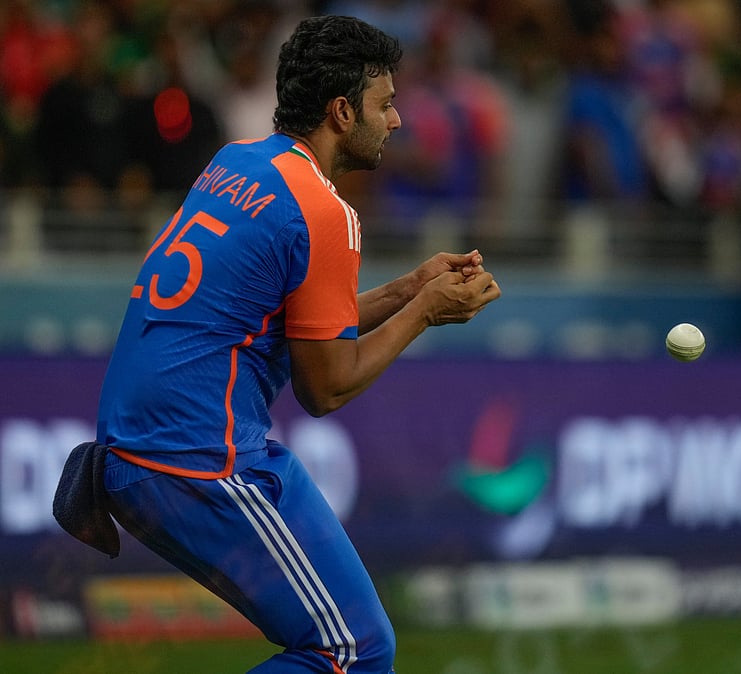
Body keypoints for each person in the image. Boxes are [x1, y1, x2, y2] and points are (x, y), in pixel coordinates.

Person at [57, 15, 500, 673]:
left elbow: (288, 324)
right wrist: (425, 315)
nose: (399, 120)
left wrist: (408, 289)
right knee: (353, 648)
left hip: (143, 447)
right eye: (387, 104)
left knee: (356, 642)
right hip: (198, 457)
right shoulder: (325, 211)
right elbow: (326, 386)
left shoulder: (238, 161)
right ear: (343, 112)